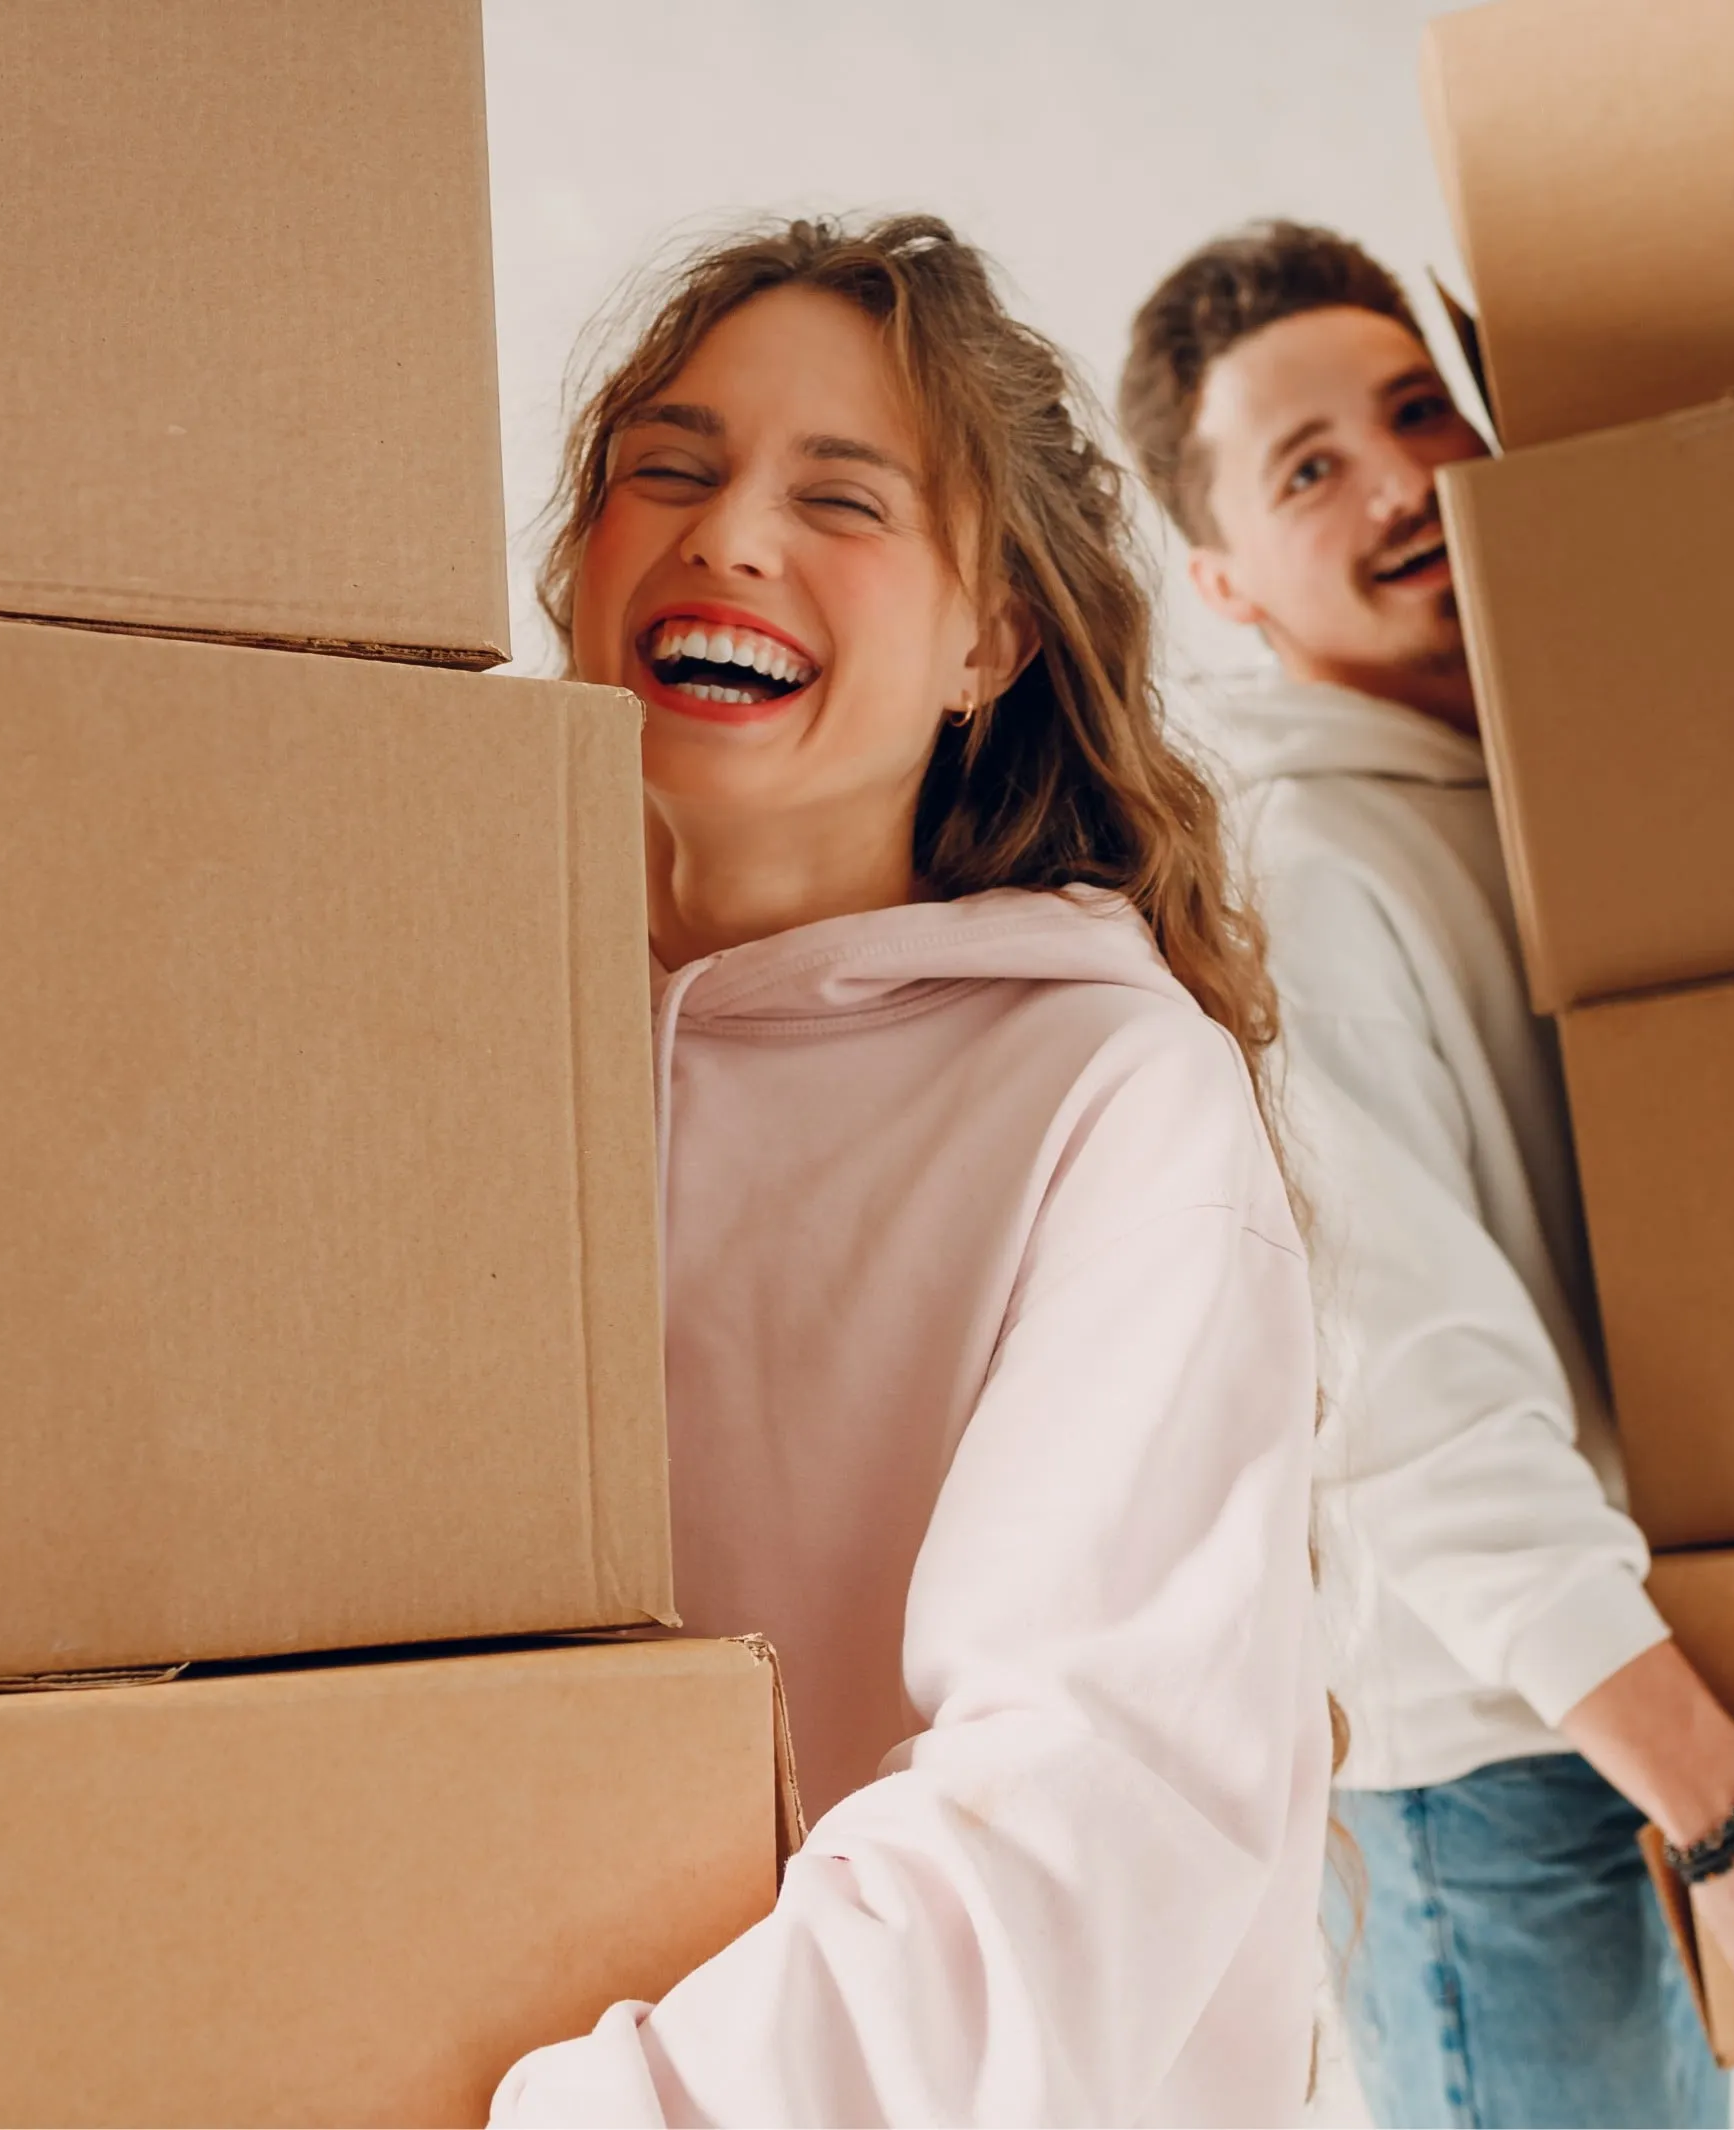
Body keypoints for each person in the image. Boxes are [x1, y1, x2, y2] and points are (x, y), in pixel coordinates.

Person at [1116, 222, 1734, 2128]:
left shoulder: (1584, 792)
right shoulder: (1300, 875)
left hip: (1642, 1687)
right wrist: (1732, 1814)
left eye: (1421, 410)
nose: (1399, 483)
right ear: (1223, 581)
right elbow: (1413, 1414)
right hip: (1490, 1768)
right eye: (1309, 470)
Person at [489, 215, 1327, 2125]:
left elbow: (1077, 1816)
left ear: (991, 639)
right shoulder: (439, 1060)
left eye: (841, 497)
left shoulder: (1112, 1102)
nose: (731, 537)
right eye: (668, 472)